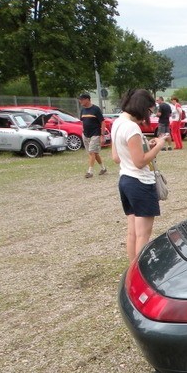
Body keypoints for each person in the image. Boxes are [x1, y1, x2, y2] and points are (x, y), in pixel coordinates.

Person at [110, 89, 167, 262]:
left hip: (125, 180)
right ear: (143, 107)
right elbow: (140, 162)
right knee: (143, 235)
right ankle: (140, 272)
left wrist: (144, 146)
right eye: (150, 111)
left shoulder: (118, 122)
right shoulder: (132, 127)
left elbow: (116, 157)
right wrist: (159, 145)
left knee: (132, 232)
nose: (149, 115)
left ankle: (132, 268)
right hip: (140, 182)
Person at [78, 93, 107, 178]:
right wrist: (82, 131)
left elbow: (102, 122)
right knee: (94, 153)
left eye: (82, 99)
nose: (80, 101)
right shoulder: (82, 110)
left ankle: (90, 172)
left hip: (95, 134)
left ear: (87, 99)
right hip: (86, 134)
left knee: (91, 152)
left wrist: (102, 135)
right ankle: (103, 168)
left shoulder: (96, 109)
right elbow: (82, 121)